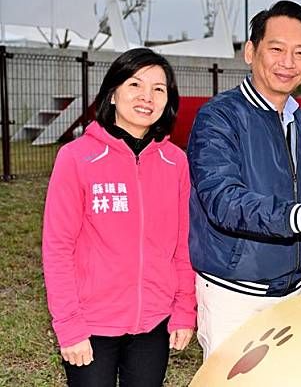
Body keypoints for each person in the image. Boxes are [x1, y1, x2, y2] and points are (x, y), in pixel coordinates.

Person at [188, 0, 301, 360]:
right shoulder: (219, 117)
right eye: (276, 49)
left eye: (300, 52)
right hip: (235, 292)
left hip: (297, 288)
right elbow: (223, 201)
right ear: (250, 52)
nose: (288, 62)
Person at [42, 48, 196, 386]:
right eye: (134, 84)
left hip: (154, 322)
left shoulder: (176, 162)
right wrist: (69, 326)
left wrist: (185, 310)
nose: (147, 97)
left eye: (159, 88)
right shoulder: (76, 157)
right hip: (90, 324)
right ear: (113, 93)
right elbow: (57, 248)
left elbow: (184, 247)